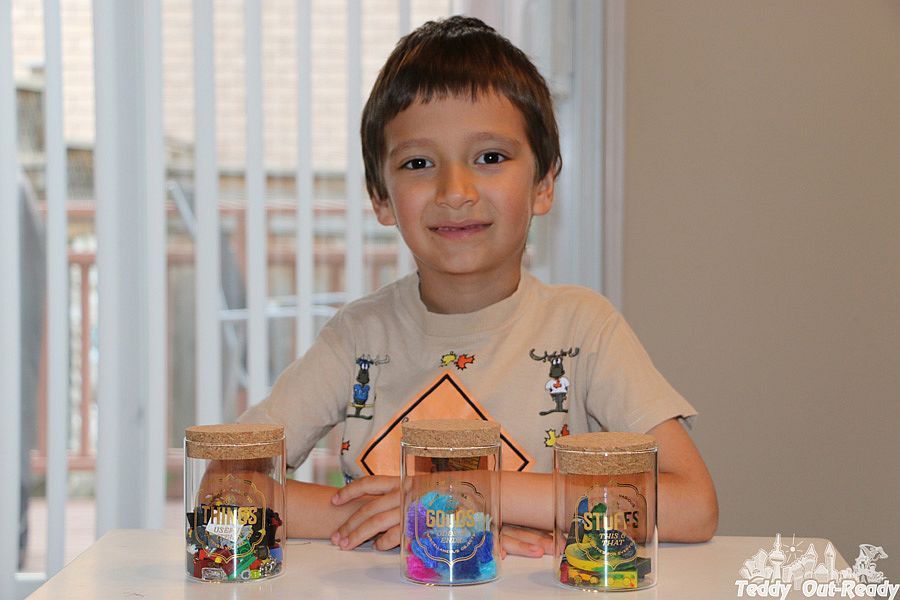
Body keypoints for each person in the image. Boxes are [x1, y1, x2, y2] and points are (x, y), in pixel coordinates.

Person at [239, 15, 717, 557]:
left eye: (490, 157)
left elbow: (692, 504)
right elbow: (228, 485)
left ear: (543, 183)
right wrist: (418, 516)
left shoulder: (582, 330)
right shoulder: (358, 339)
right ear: (380, 198)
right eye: (419, 163)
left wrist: (485, 495)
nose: (455, 190)